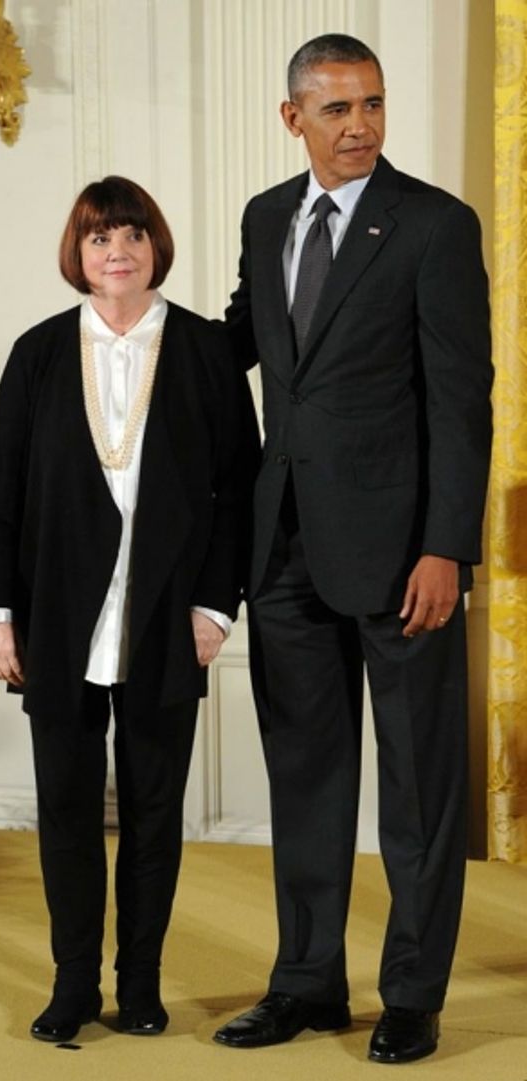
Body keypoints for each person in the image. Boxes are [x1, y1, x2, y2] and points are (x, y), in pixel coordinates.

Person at [212, 33, 492, 1064]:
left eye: (372, 103)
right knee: (307, 777)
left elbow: (463, 404)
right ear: (294, 118)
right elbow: (243, 337)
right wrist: (123, 330)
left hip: (401, 556)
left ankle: (413, 994)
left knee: (419, 788)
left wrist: (444, 549)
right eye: (336, 109)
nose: (361, 124)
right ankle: (306, 982)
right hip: (283, 546)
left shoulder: (432, 225)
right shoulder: (263, 218)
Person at [0, 176, 259, 1044]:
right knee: (64, 806)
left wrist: (217, 606)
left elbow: (240, 491)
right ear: (79, 254)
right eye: (100, 239)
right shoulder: (39, 352)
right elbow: (1, 495)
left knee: (153, 808)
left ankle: (140, 981)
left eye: (132, 234)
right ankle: (72, 985)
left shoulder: (207, 352)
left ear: (155, 246)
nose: (117, 251)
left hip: (170, 617)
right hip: (57, 618)